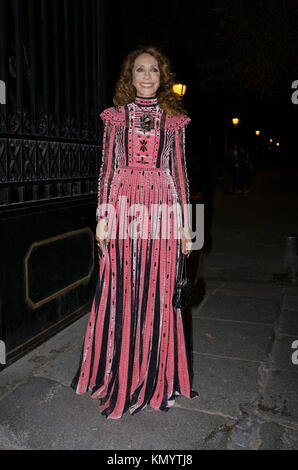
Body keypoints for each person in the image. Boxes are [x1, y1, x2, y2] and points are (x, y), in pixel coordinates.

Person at [70, 46, 198, 419]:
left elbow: (181, 175)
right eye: (139, 70)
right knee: (122, 286)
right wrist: (103, 217)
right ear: (130, 76)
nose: (146, 76)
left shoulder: (173, 119)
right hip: (124, 205)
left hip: (161, 206)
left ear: (162, 77)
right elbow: (107, 169)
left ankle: (157, 377)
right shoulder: (116, 117)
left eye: (153, 70)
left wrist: (188, 227)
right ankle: (117, 371)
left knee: (159, 288)